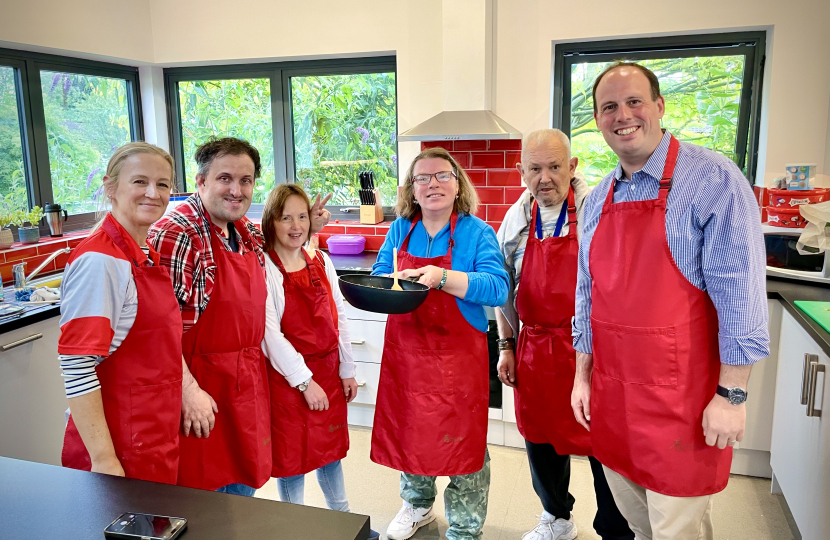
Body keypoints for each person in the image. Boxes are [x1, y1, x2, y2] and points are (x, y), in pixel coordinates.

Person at [570, 62, 769, 540]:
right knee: (640, 528)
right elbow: (587, 297)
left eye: (634, 101)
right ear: (598, 120)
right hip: (615, 399)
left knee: (677, 530)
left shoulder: (712, 180)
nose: (624, 115)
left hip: (684, 405)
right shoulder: (596, 200)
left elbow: (740, 297)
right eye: (609, 107)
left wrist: (732, 396)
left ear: (659, 107)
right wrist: (582, 376)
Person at [148, 137, 330, 495]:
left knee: (240, 497)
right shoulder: (178, 233)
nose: (236, 190)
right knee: (205, 502)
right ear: (200, 182)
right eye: (225, 178)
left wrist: (309, 227)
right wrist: (187, 391)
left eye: (246, 180)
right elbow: (158, 329)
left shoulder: (243, 232)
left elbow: (277, 238)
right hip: (201, 387)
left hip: (244, 386)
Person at [496, 129, 633, 540]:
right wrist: (505, 347)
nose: (545, 178)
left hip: (589, 351)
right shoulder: (515, 219)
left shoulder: (597, 210)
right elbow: (504, 292)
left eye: (554, 167)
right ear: (522, 172)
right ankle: (556, 517)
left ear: (571, 167)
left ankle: (616, 528)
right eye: (535, 168)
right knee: (541, 442)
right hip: (534, 349)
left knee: (602, 445)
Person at [370, 147, 510, 540]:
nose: (433, 184)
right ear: (412, 190)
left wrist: (442, 276)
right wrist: (394, 283)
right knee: (411, 432)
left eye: (442, 176)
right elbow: (382, 274)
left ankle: (465, 527)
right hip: (408, 357)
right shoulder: (400, 229)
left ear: (456, 183)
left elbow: (497, 288)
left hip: (456, 361)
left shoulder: (476, 231)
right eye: (422, 178)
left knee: (464, 446)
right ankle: (417, 505)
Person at [260, 184, 379, 539]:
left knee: (329, 452)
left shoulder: (320, 260)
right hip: (289, 379)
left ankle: (343, 523)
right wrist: (303, 381)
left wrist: (348, 370)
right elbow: (270, 335)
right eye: (286, 218)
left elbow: (338, 316)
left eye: (301, 217)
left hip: (327, 373)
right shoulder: (266, 266)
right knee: (293, 461)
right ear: (272, 222)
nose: (295, 226)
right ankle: (293, 528)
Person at [59, 142, 182, 483]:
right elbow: (76, 364)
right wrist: (103, 460)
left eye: (162, 184)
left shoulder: (143, 252)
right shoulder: (100, 260)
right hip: (118, 447)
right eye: (139, 181)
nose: (153, 193)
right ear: (111, 187)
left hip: (150, 434)